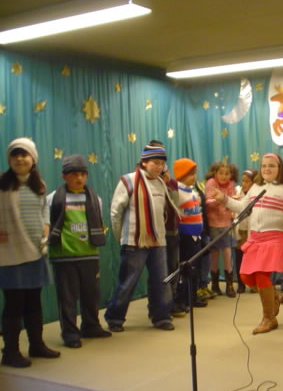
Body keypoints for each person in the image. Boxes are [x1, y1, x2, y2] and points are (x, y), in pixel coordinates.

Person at [209, 153, 283, 334]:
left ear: (280, 168)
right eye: (264, 165)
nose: (267, 169)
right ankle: (273, 296)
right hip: (255, 239)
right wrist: (223, 198)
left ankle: (269, 318)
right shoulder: (255, 187)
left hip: (275, 239)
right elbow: (242, 208)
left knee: (261, 276)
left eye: (271, 165)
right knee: (245, 276)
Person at [0, 138, 60, 367]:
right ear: (9, 160)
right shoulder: (2, 185)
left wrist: (46, 227)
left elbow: (44, 210)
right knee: (14, 303)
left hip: (36, 251)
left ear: (33, 159)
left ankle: (36, 344)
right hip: (11, 253)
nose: (19, 159)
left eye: (24, 154)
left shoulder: (39, 185)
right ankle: (10, 352)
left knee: (34, 301)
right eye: (15, 155)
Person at [104, 141, 176, 332]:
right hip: (134, 241)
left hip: (158, 241)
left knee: (161, 280)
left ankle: (161, 316)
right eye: (155, 163)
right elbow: (115, 212)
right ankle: (114, 318)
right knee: (128, 282)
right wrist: (121, 236)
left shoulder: (161, 183)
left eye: (162, 163)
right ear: (144, 162)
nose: (159, 167)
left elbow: (164, 211)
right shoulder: (128, 181)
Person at [47, 155, 111, 348]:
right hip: (64, 256)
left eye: (83, 174)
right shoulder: (53, 199)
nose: (79, 178)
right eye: (74, 174)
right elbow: (48, 225)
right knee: (67, 298)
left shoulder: (95, 199)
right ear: (64, 176)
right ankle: (70, 333)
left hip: (89, 254)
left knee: (91, 294)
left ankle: (91, 326)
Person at [173, 158, 207, 311]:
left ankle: (192, 297)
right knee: (186, 269)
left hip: (196, 236)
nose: (194, 177)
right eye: (191, 174)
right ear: (181, 175)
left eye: (195, 173)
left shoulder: (192, 191)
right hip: (185, 237)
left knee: (195, 268)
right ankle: (182, 299)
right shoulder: (178, 192)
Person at [205, 160, 238, 298]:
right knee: (214, 254)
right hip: (213, 223)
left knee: (227, 253)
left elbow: (232, 202)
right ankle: (215, 284)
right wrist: (221, 200)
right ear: (215, 173)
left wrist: (232, 206)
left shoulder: (231, 184)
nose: (224, 176)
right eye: (221, 173)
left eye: (227, 173)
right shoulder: (211, 183)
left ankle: (230, 285)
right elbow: (208, 202)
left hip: (226, 224)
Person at [160, 164, 184, 317]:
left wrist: (167, 185)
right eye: (162, 174)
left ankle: (173, 300)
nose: (165, 176)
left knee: (174, 267)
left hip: (173, 232)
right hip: (161, 234)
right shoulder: (153, 185)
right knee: (163, 270)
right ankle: (163, 304)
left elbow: (175, 204)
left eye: (165, 172)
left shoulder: (173, 184)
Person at [233, 169, 257, 294]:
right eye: (242, 181)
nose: (244, 184)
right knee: (239, 259)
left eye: (247, 181)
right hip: (240, 232)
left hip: (252, 232)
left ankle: (253, 284)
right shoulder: (237, 192)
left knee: (253, 260)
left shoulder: (258, 194)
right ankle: (241, 284)